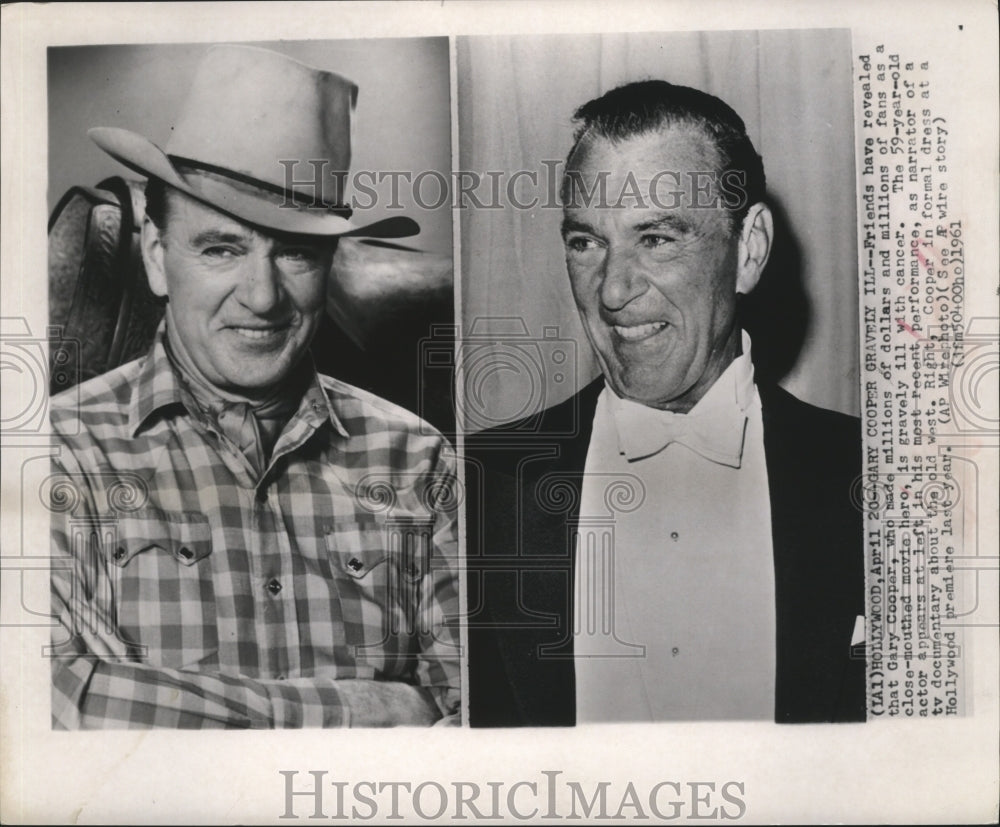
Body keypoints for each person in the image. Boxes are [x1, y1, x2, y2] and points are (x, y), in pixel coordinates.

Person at [48, 45, 460, 728]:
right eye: (222, 248)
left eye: (295, 251)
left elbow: (478, 716)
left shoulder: (421, 461)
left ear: (332, 262)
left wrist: (159, 703)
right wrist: (379, 708)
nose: (262, 297)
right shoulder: (55, 451)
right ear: (157, 257)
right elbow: (53, 702)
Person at [466, 80, 865, 726]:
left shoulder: (874, 478)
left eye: (656, 238)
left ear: (749, 250)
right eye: (585, 242)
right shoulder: (474, 486)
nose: (613, 290)